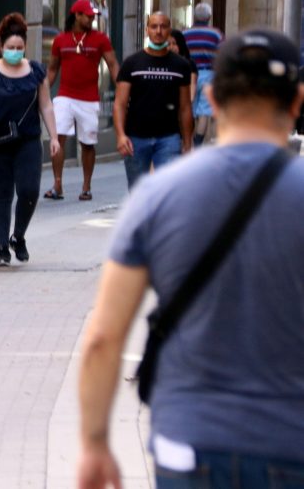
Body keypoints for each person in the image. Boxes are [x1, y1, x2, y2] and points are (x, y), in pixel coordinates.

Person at [77, 29, 304, 489]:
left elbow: (104, 336)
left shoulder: (158, 195)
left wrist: (96, 443)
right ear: (297, 100)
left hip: (190, 442)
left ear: (211, 97)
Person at [0, 12, 60, 266]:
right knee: (2, 195)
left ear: (25, 46)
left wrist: (54, 137)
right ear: (1, 46)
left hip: (28, 140)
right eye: (10, 48)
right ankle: (2, 247)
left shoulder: (36, 72)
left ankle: (18, 236)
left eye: (19, 47)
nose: (15, 51)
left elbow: (46, 106)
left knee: (29, 190)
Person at [45, 0, 119, 201]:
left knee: (88, 143)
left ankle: (86, 186)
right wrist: (42, 93)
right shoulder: (61, 40)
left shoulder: (100, 39)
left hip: (89, 98)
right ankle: (57, 184)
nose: (92, 18)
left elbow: (112, 64)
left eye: (93, 15)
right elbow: (52, 69)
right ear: (76, 15)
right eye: (88, 15)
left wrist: (121, 88)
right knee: (58, 138)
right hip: (64, 96)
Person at [113, 12, 194, 189]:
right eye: (154, 26)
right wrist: (120, 135)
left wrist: (187, 141)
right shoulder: (132, 63)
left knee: (167, 190)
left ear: (169, 31)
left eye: (163, 26)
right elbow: (120, 103)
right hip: (136, 138)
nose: (158, 31)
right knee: (137, 192)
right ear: (147, 30)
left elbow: (185, 107)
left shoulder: (180, 65)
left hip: (169, 138)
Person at [184, 3, 224, 145]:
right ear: (209, 17)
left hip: (189, 75)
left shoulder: (185, 34)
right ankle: (198, 142)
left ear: (195, 16)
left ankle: (189, 140)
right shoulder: (216, 34)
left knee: (189, 107)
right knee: (204, 111)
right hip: (209, 74)